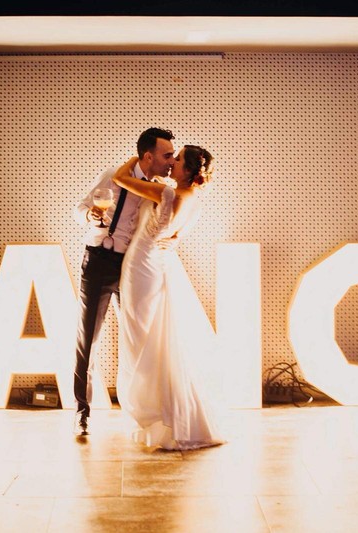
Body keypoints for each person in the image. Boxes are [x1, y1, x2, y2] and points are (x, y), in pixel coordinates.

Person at [113, 145, 225, 450]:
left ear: (188, 170)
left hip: (141, 264)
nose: (172, 161)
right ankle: (171, 413)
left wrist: (140, 156)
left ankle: (156, 412)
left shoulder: (166, 193)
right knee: (159, 337)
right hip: (161, 263)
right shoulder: (193, 202)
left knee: (142, 337)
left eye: (178, 159)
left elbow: (122, 177)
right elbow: (174, 236)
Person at [72, 128, 176, 435]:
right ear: (149, 156)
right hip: (99, 260)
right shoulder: (113, 176)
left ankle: (145, 410)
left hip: (133, 268)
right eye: (167, 155)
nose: (171, 161)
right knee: (88, 338)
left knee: (141, 338)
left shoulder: (159, 188)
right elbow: (79, 209)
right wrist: (90, 216)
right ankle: (81, 412)